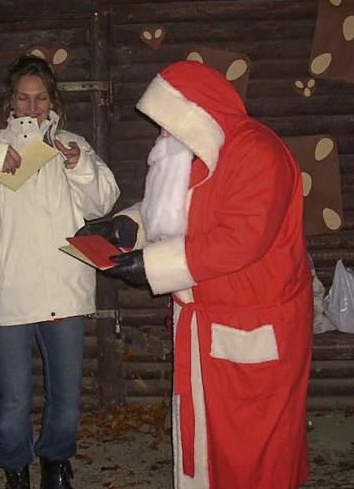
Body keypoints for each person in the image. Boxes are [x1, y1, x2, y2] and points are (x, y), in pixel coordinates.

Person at [77, 60, 313, 488]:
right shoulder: (200, 152)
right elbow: (175, 210)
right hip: (208, 324)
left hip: (251, 326)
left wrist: (151, 266)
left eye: (167, 123)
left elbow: (239, 239)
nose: (161, 134)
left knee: (254, 450)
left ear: (193, 115)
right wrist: (128, 226)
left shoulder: (257, 154)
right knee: (211, 445)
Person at [0, 55, 119, 489]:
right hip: (8, 294)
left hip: (64, 290)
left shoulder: (71, 146)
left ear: (53, 101)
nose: (32, 107)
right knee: (13, 397)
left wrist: (79, 166)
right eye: (23, 98)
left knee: (66, 395)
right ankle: (16, 468)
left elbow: (102, 201)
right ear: (10, 102)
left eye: (40, 98)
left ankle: (56, 462)